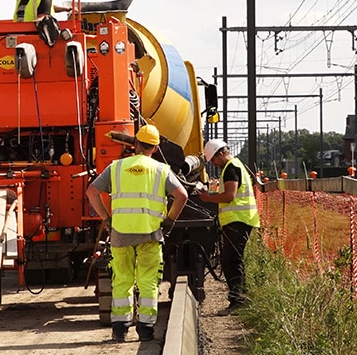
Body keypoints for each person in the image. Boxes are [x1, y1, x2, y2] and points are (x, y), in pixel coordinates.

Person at [86, 124, 188, 342]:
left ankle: (120, 328)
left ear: (136, 144)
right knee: (148, 281)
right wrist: (169, 220)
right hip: (150, 234)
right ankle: (145, 329)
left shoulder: (116, 168)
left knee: (122, 279)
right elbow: (182, 196)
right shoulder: (161, 170)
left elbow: (91, 191)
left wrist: (106, 218)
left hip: (120, 234)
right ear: (154, 148)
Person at [196, 139, 261, 310]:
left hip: (238, 220)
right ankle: (240, 297)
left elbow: (229, 196)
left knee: (232, 260)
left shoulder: (231, 168)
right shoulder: (235, 165)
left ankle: (238, 300)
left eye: (214, 160)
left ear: (220, 153)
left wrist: (208, 197)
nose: (215, 164)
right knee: (232, 260)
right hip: (239, 220)